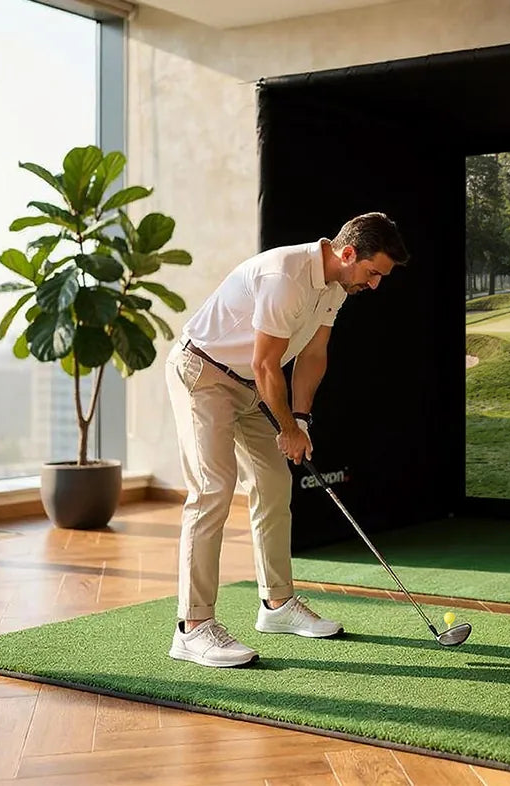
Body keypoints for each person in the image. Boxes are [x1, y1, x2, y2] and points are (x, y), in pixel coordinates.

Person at [163, 212, 409, 667]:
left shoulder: (336, 286)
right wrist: (289, 432)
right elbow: (265, 363)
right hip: (203, 373)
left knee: (274, 487)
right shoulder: (286, 276)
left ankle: (276, 606)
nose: (374, 285)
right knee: (213, 491)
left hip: (250, 386)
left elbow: (313, 356)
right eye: (373, 273)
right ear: (348, 253)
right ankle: (192, 628)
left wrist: (300, 420)